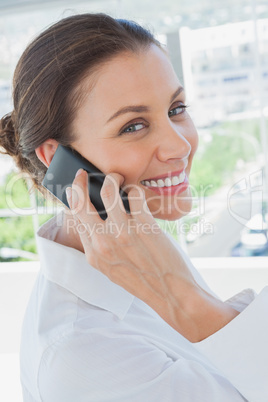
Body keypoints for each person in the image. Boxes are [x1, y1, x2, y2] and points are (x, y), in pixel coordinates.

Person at [0, 13, 267, 402]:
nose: (181, 146)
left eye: (176, 108)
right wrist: (183, 299)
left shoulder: (133, 237)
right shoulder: (82, 356)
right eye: (133, 126)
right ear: (58, 157)